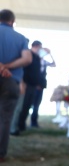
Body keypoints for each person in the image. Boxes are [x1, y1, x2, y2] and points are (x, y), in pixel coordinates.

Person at [0, 9, 32, 163]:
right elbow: (27, 59)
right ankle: (1, 154)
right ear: (12, 21)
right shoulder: (21, 38)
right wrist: (7, 66)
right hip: (11, 81)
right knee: (5, 119)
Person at [31, 44, 56, 127]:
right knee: (32, 105)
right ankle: (30, 122)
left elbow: (53, 64)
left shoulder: (44, 62)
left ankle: (34, 122)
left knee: (37, 105)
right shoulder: (33, 60)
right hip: (34, 86)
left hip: (41, 86)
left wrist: (50, 54)